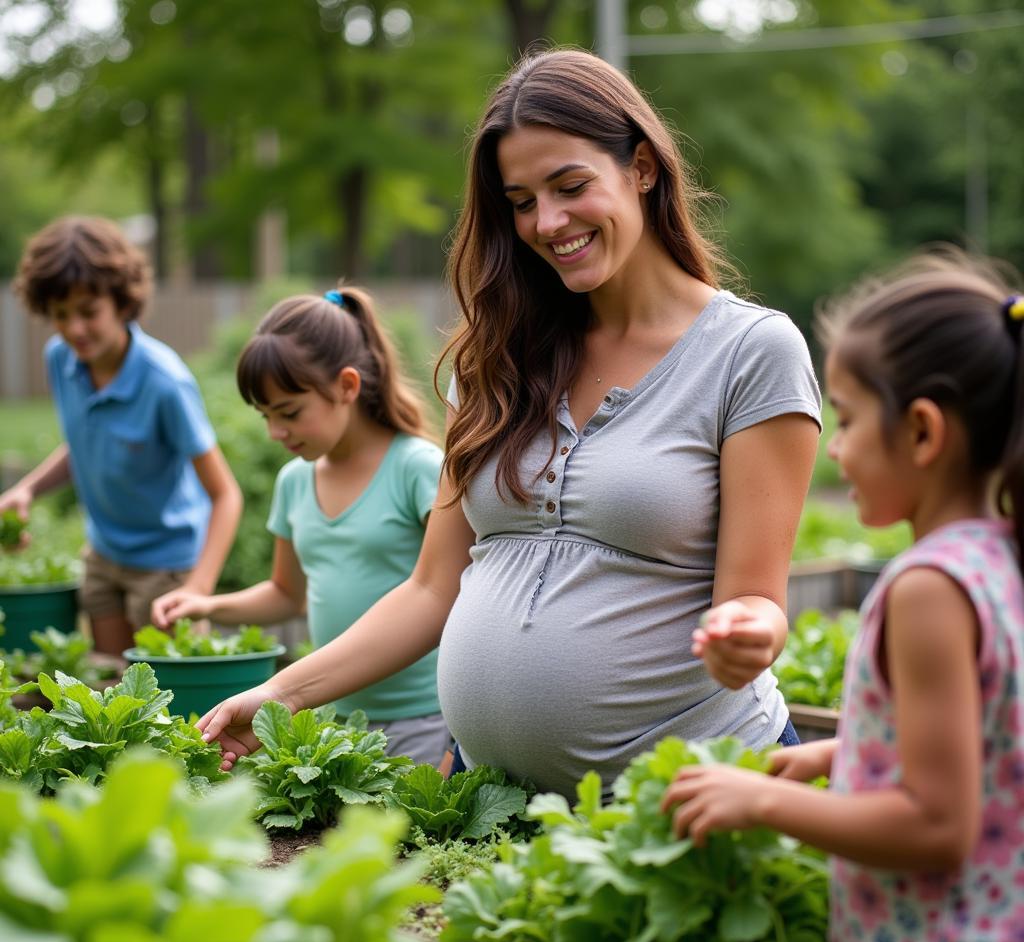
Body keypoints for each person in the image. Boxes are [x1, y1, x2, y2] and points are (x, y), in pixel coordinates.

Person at [197, 48, 821, 796]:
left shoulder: (750, 352)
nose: (547, 222)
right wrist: (280, 695)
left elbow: (754, 597)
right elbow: (432, 589)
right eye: (521, 201)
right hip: (491, 799)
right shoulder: (493, 361)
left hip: (685, 801)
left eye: (570, 185)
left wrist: (750, 631)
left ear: (644, 167)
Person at [662, 251, 1024, 942]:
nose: (835, 448)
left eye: (851, 420)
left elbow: (936, 824)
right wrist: (847, 748)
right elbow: (991, 739)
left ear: (923, 432)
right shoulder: (997, 556)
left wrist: (757, 799)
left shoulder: (929, 590)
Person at [151, 285, 449, 766]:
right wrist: (207, 604)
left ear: (347, 387)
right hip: (327, 718)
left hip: (423, 722)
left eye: (289, 413)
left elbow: (443, 589)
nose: (275, 432)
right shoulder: (294, 482)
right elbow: (287, 594)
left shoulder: (417, 468)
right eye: (266, 416)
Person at [0, 216, 242, 656]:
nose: (75, 329)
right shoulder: (62, 359)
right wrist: (27, 490)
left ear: (123, 302)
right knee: (109, 691)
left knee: (169, 710)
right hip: (104, 556)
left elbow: (225, 494)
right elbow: (87, 445)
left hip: (167, 569)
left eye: (89, 311)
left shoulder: (164, 382)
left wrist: (199, 587)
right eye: (60, 315)